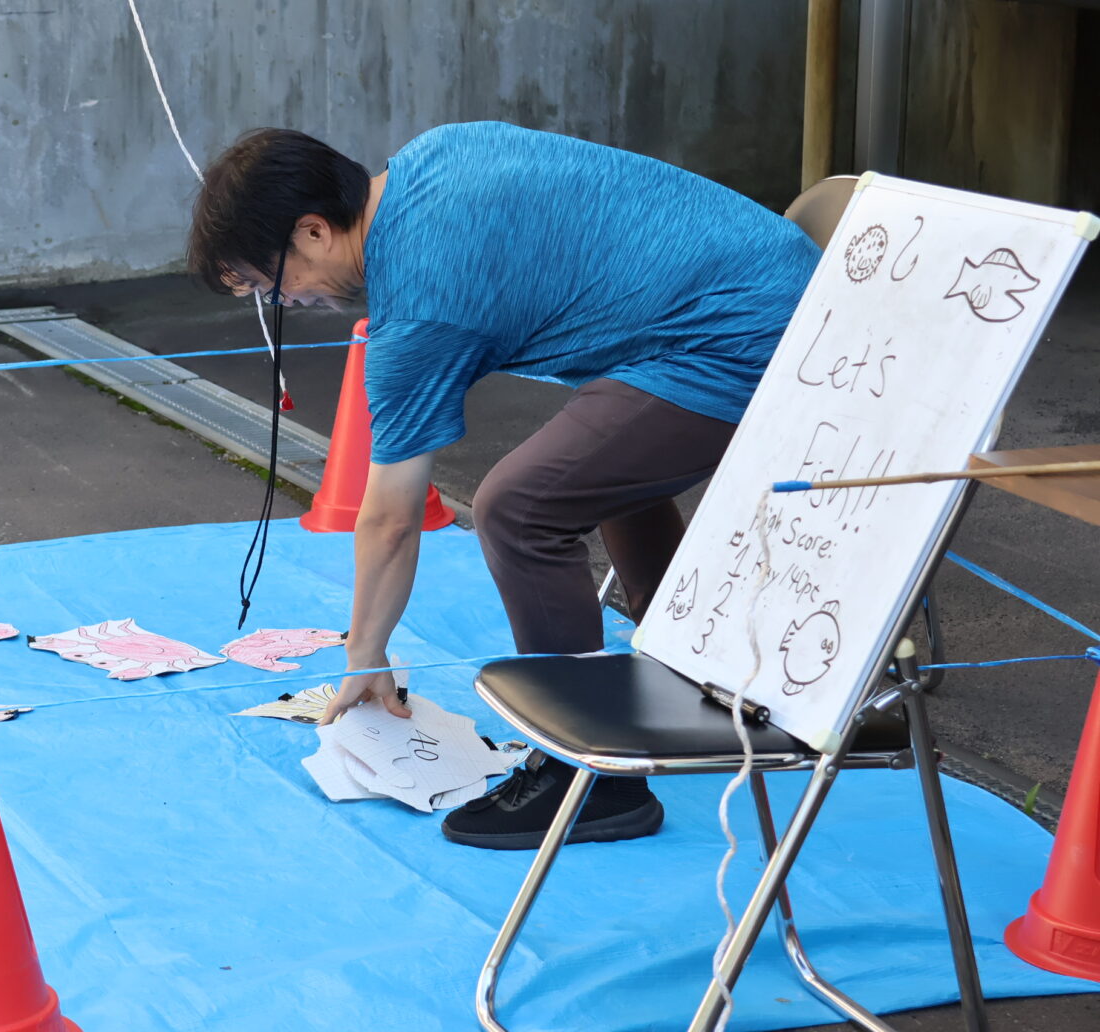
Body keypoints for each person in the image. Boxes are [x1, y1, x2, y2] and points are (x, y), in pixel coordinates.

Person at [187, 123, 819, 849]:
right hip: (780, 275)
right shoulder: (436, 152)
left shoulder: (419, 308)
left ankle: (591, 779)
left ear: (314, 230)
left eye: (274, 283)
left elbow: (389, 520)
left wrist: (365, 656)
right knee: (593, 459)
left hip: (753, 335)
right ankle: (698, 664)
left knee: (521, 506)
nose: (284, 303)